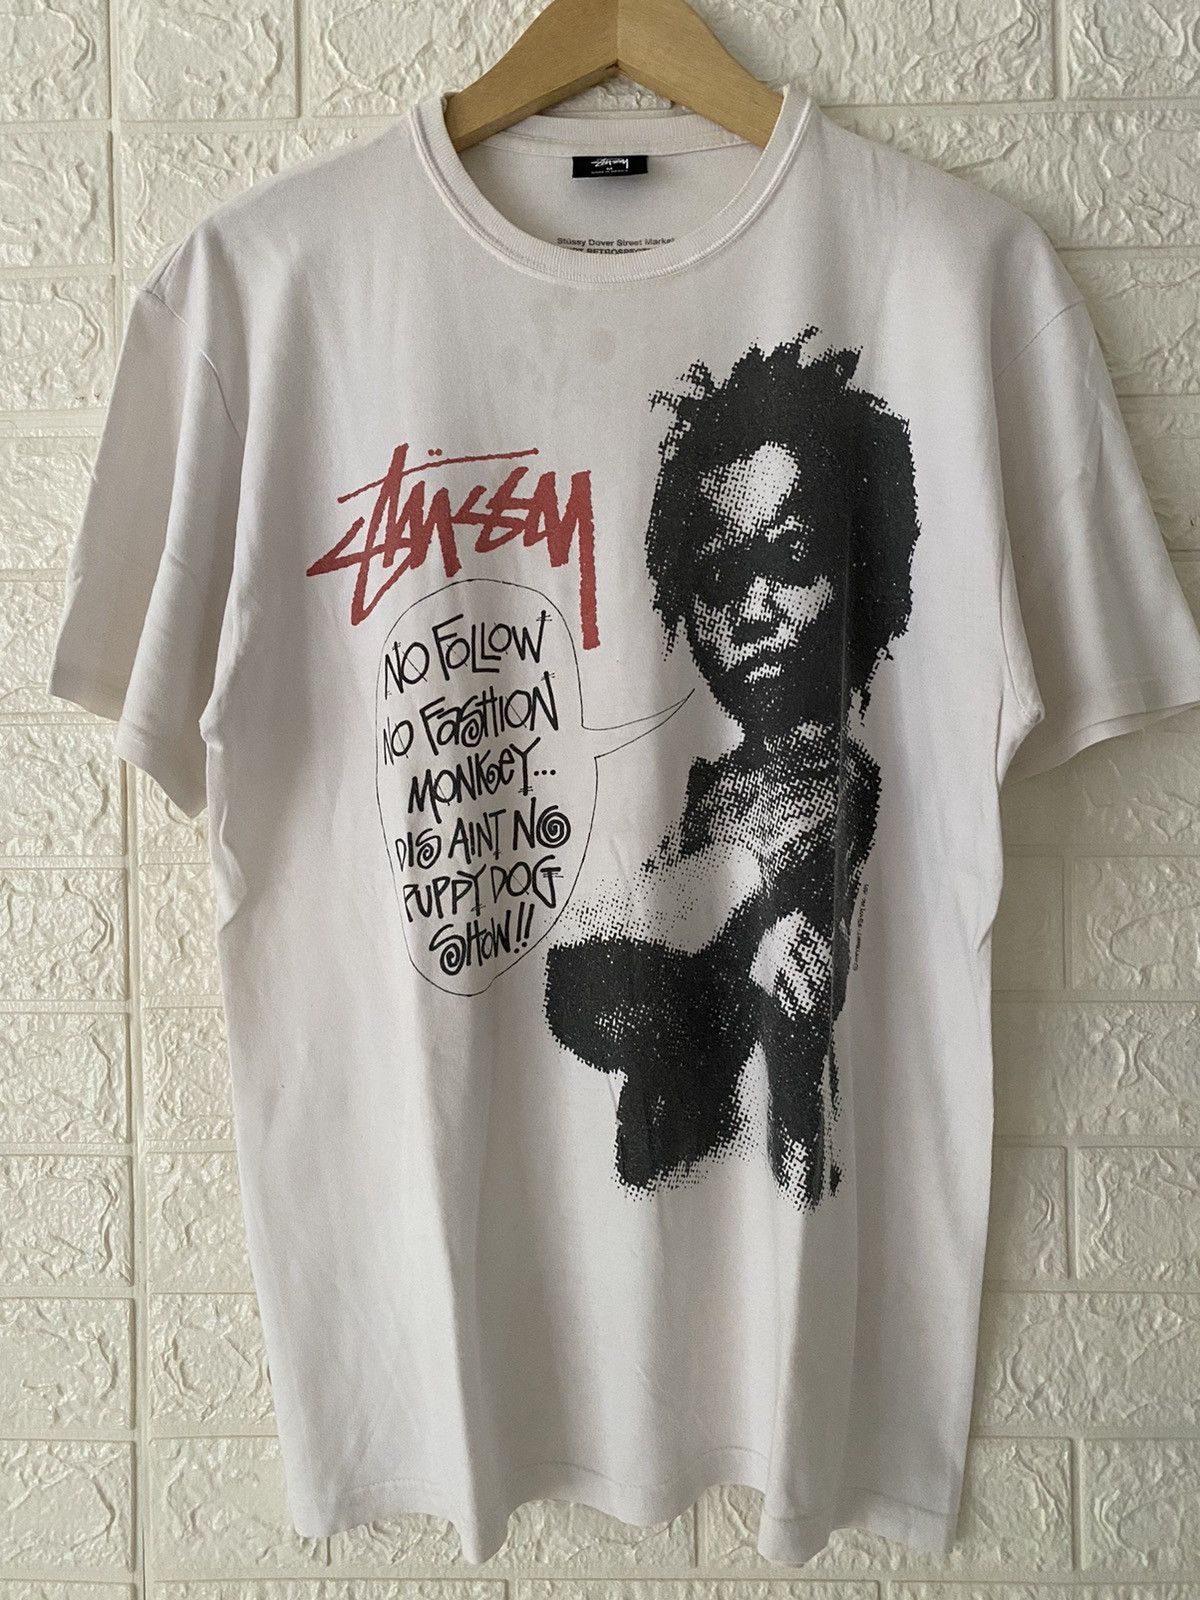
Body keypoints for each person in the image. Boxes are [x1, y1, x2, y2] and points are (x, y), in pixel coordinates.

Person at [544, 328, 922, 1211]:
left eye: (788, 560)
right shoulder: (724, 793)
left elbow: (587, 976)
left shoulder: (827, 790)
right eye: (719, 577)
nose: (754, 609)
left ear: (861, 570)